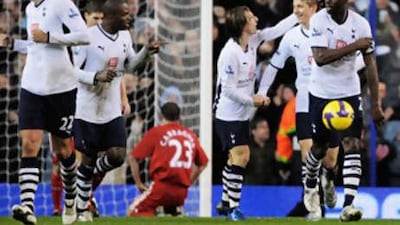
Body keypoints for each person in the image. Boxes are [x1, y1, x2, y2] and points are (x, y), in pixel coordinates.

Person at [0, 0, 89, 224]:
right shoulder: (31, 8)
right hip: (32, 86)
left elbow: (83, 36)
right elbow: (34, 44)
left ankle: (70, 196)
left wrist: (50, 37)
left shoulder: (61, 3)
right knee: (30, 143)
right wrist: (11, 43)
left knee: (63, 149)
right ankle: (28, 206)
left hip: (61, 88)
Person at [71, 0, 161, 221]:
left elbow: (129, 65)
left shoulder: (125, 36)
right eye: (125, 14)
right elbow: (70, 71)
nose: (130, 18)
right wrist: (95, 76)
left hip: (111, 108)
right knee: (89, 158)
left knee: (118, 156)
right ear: (110, 16)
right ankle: (82, 210)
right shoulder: (88, 37)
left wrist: (146, 53)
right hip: (88, 108)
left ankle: (84, 176)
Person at [213, 5, 298, 221]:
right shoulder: (229, 53)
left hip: (242, 113)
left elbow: (276, 30)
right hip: (228, 113)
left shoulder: (251, 40)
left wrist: (297, 15)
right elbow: (229, 90)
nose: (256, 19)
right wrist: (253, 100)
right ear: (242, 25)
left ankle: (224, 201)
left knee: (236, 157)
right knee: (242, 156)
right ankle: (232, 208)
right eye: (251, 18)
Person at [257, 0, 340, 219]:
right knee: (308, 156)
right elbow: (274, 65)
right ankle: (314, 207)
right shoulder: (291, 37)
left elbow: (356, 59)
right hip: (304, 102)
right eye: (294, 5)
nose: (296, 10)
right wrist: (263, 91)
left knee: (330, 161)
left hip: (329, 101)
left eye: (301, 6)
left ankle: (329, 178)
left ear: (314, 7)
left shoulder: (331, 30)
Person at [303, 0, 384, 221]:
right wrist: (355, 45)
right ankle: (311, 180)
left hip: (348, 92)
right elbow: (320, 58)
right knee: (319, 149)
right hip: (321, 93)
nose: (327, 0)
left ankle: (348, 205)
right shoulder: (319, 19)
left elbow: (371, 67)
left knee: (352, 144)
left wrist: (376, 105)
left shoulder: (362, 25)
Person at [50, 0, 104, 217]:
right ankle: (57, 208)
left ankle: (87, 197)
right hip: (67, 103)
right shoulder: (73, 39)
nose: (99, 23)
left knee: (94, 159)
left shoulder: (104, 40)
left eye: (102, 18)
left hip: (94, 107)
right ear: (85, 17)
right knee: (62, 157)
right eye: (95, 18)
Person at [127, 102, 208, 217]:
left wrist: (139, 183)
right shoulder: (190, 135)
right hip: (181, 192)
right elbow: (203, 163)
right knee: (169, 212)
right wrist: (189, 181)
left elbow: (132, 157)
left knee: (133, 211)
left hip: (161, 187)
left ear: (161, 116)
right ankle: (175, 212)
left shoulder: (157, 132)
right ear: (179, 117)